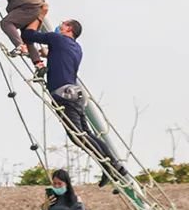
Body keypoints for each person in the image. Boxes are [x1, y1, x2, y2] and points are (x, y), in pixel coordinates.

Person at [21, 19, 127, 187]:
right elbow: (57, 56)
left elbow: (28, 35)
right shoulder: (76, 47)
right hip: (75, 93)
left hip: (64, 93)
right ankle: (113, 164)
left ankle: (112, 165)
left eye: (63, 24)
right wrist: (46, 53)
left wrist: (39, 17)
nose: (59, 26)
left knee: (78, 135)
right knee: (86, 133)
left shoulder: (58, 39)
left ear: (69, 28)